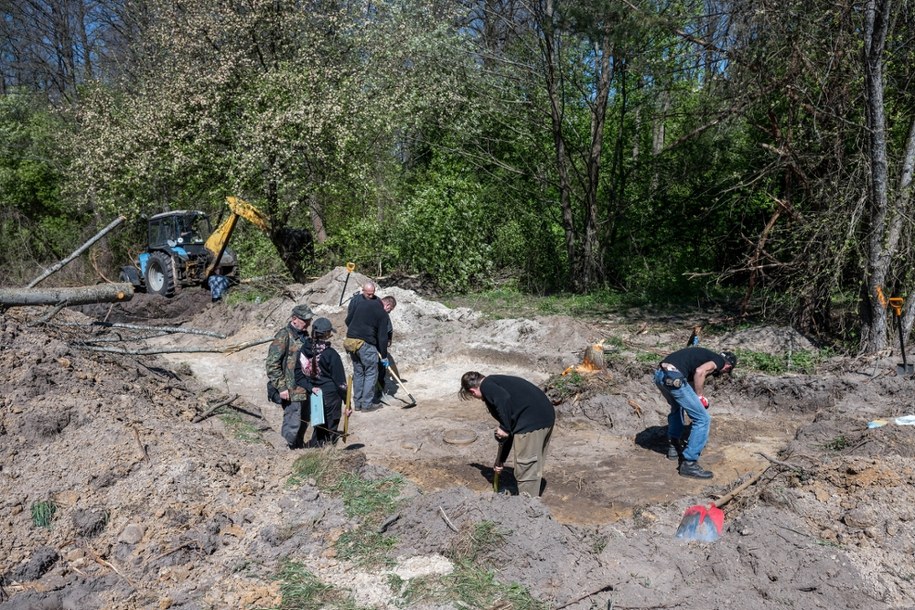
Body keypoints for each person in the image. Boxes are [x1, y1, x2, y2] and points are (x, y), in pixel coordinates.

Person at [459, 371, 555, 497]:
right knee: (533, 466)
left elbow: (503, 401)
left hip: (531, 424)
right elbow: (509, 431)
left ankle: (528, 509)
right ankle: (532, 500)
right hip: (545, 418)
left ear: (472, 391)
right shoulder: (497, 382)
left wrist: (504, 427)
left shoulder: (487, 386)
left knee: (525, 468)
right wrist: (501, 461)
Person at [654, 347, 737, 479]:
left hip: (660, 375)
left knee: (677, 407)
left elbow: (691, 385)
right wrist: (700, 397)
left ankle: (674, 448)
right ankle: (689, 463)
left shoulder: (700, 357)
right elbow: (700, 372)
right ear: (728, 365)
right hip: (674, 377)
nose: (724, 371)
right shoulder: (719, 361)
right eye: (727, 370)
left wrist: (696, 399)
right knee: (703, 419)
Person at [265, 304, 313, 449]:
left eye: (309, 320)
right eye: (305, 321)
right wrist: (282, 387)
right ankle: (285, 451)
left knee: (304, 421)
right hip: (291, 389)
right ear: (294, 319)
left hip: (305, 388)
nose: (308, 324)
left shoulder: (304, 336)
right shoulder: (284, 336)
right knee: (292, 422)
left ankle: (298, 449)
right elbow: (272, 364)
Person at [295, 317, 348, 447]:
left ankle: (314, 449)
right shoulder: (331, 354)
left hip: (314, 394)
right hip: (331, 396)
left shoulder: (303, 350)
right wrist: (348, 403)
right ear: (328, 334)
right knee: (330, 428)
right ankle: (324, 455)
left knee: (319, 426)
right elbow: (340, 383)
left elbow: (298, 375)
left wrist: (310, 387)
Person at [344, 294, 395, 411]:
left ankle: (358, 404)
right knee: (371, 373)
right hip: (365, 345)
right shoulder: (382, 313)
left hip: (350, 342)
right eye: (390, 310)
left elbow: (348, 320)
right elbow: (383, 337)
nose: (389, 312)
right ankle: (367, 405)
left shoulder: (362, 303)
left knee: (359, 373)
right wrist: (383, 356)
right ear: (387, 305)